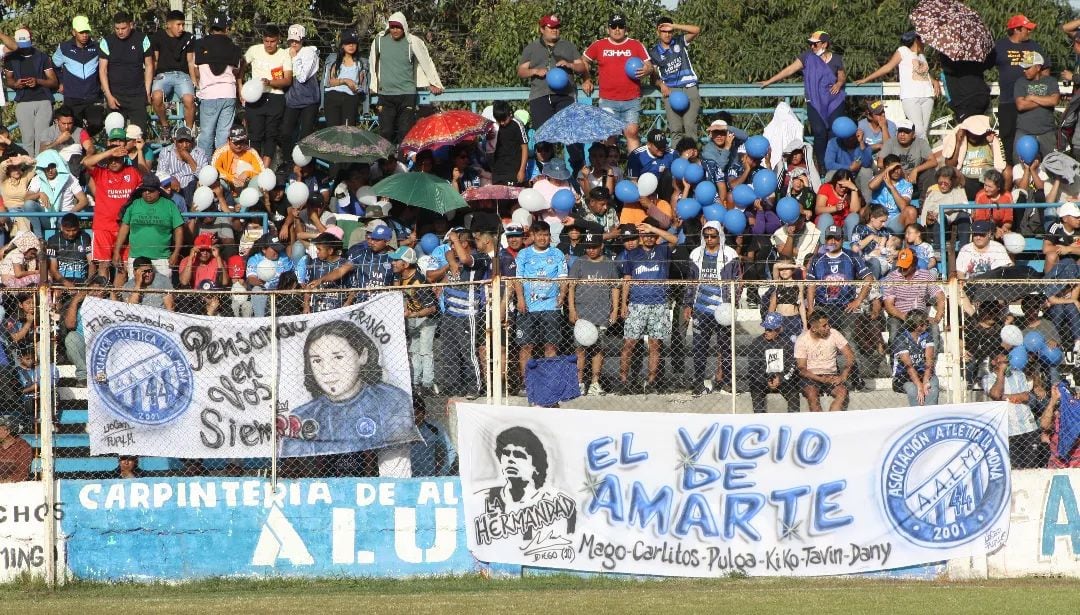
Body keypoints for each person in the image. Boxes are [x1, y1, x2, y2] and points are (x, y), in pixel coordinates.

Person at [281, 320, 417, 477]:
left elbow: (395, 465)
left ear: (362, 356)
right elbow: (293, 467)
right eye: (317, 360)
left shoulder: (392, 400)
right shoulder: (302, 416)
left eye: (338, 357)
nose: (326, 370)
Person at [759, 30, 846, 169]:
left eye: (815, 44)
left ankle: (833, 164)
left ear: (824, 44)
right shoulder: (807, 57)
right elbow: (790, 70)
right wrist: (770, 81)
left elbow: (841, 75)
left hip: (833, 100)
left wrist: (839, 83)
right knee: (819, 132)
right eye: (810, 44)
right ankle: (822, 165)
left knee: (834, 132)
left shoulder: (836, 59)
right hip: (814, 101)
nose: (812, 47)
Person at [518, 14, 589, 173]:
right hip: (540, 95)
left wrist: (569, 65)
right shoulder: (531, 48)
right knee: (543, 137)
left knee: (571, 135)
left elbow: (581, 67)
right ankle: (545, 172)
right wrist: (535, 71)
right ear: (542, 29)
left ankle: (579, 171)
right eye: (551, 27)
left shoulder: (568, 46)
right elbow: (521, 71)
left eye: (557, 27)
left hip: (565, 95)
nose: (555, 30)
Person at [618, 219, 677, 393]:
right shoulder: (632, 254)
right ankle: (623, 381)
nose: (649, 238)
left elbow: (675, 240)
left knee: (655, 345)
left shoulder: (662, 250)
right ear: (640, 236)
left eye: (652, 236)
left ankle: (651, 382)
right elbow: (627, 280)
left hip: (659, 304)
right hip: (637, 304)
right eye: (645, 235)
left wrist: (653, 228)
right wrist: (624, 303)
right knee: (629, 344)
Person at [368, 12, 444, 144]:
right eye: (392, 27)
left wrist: (434, 83)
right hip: (386, 94)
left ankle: (402, 164)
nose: (395, 30)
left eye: (398, 27)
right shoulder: (379, 40)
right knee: (385, 132)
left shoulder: (412, 41)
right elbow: (372, 62)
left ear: (404, 27)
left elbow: (426, 61)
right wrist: (373, 85)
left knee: (406, 132)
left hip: (407, 94)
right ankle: (385, 164)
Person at [685, 220, 741, 396]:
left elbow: (738, 282)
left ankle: (727, 384)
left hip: (723, 309)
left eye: (713, 236)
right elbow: (690, 282)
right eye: (706, 236)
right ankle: (698, 383)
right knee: (699, 348)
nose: (709, 239)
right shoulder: (695, 254)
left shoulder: (731, 254)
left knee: (726, 348)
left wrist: (733, 304)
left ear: (719, 236)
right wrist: (687, 304)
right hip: (701, 309)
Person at [582, 14, 651, 151]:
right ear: (608, 29)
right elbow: (583, 60)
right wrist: (586, 79)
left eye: (621, 26)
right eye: (613, 26)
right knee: (609, 136)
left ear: (626, 29)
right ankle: (609, 170)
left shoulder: (635, 45)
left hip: (631, 99)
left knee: (632, 133)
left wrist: (646, 70)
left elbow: (649, 65)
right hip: (608, 100)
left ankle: (633, 169)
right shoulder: (599, 45)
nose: (617, 29)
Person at [854, 32, 940, 139]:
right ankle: (928, 155)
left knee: (924, 130)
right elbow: (887, 67)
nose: (925, 43)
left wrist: (934, 81)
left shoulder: (921, 55)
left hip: (927, 95)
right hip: (910, 96)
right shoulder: (903, 51)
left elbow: (923, 74)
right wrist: (866, 79)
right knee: (918, 131)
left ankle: (919, 154)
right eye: (922, 39)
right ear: (916, 40)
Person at [82, 130, 141, 279]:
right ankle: (102, 298)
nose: (114, 162)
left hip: (126, 227)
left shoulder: (132, 172)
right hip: (103, 227)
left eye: (118, 159)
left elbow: (146, 174)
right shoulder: (101, 172)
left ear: (124, 159)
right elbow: (86, 162)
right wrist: (109, 152)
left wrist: (138, 151)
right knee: (103, 264)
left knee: (123, 265)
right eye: (111, 159)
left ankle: (117, 298)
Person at [514, 221, 568, 384]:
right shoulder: (523, 254)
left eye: (546, 235)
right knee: (526, 346)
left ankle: (550, 381)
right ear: (532, 236)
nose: (543, 238)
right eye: (539, 235)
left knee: (551, 345)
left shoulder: (557, 253)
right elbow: (517, 280)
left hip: (551, 307)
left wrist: (562, 295)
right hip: (528, 307)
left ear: (550, 236)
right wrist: (521, 299)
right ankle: (526, 382)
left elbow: (564, 278)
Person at [568, 229, 618, 395]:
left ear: (602, 246)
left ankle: (595, 383)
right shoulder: (579, 263)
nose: (591, 250)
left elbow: (615, 288)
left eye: (594, 247)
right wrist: (572, 309)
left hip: (601, 312)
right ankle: (579, 383)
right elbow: (572, 287)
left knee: (598, 349)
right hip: (582, 314)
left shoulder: (609, 264)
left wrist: (615, 310)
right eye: (588, 247)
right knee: (580, 349)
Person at [991, 14, 1044, 165]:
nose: (1029, 32)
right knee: (1007, 138)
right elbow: (985, 65)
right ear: (1016, 30)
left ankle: (1031, 171)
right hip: (1008, 101)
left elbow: (1045, 69)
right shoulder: (999, 46)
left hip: (1029, 102)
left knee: (1031, 136)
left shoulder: (1033, 46)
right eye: (1026, 29)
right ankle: (1009, 171)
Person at [113, 173, 183, 282]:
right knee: (136, 290)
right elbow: (124, 228)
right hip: (137, 258)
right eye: (144, 190)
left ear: (158, 191)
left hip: (162, 258)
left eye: (150, 190)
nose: (147, 193)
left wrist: (176, 253)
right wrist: (117, 251)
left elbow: (178, 229)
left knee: (162, 292)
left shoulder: (170, 206)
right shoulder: (134, 205)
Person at [191, 14, 242, 154]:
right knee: (223, 135)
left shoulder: (200, 44)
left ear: (210, 29)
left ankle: (204, 169)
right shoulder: (234, 48)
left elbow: (196, 71)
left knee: (206, 135)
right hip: (228, 94)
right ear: (226, 29)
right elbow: (236, 72)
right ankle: (221, 169)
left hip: (208, 95)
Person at [390, 246, 438, 396]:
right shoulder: (400, 277)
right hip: (413, 316)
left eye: (396, 260)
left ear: (405, 264)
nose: (393, 263)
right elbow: (402, 296)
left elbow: (432, 308)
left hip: (427, 319)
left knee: (425, 351)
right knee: (414, 351)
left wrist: (412, 315)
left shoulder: (418, 281)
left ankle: (428, 384)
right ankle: (415, 382)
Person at [4, 28, 59, 156]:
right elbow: (9, 80)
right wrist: (16, 84)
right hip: (23, 101)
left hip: (43, 100)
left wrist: (38, 81)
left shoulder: (42, 56)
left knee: (42, 138)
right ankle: (29, 169)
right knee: (27, 139)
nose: (24, 48)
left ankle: (41, 168)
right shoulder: (10, 59)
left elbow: (53, 81)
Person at [244, 25, 292, 167]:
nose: (269, 44)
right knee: (255, 136)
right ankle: (255, 169)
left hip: (276, 97)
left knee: (271, 136)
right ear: (262, 39)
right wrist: (241, 86)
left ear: (278, 40)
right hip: (255, 98)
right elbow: (240, 67)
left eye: (272, 41)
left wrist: (270, 82)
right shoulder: (254, 50)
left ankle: (265, 170)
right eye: (266, 41)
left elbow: (288, 80)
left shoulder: (284, 54)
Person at [99, 11, 152, 133]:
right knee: (115, 136)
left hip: (137, 96)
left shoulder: (142, 39)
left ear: (131, 25)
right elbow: (102, 70)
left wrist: (147, 91)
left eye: (123, 28)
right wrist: (109, 96)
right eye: (117, 28)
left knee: (138, 134)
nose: (120, 31)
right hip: (116, 96)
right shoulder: (107, 41)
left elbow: (149, 65)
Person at [649, 18, 701, 142]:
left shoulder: (679, 41)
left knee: (690, 127)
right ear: (658, 32)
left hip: (690, 88)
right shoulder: (654, 52)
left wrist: (675, 25)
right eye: (664, 31)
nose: (667, 34)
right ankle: (677, 159)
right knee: (675, 129)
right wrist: (661, 85)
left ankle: (692, 157)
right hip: (671, 91)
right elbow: (653, 78)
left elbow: (696, 30)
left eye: (670, 31)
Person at [882, 248, 947, 346]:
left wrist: (937, 317)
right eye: (901, 266)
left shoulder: (925, 275)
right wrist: (905, 317)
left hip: (920, 317)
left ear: (914, 264)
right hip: (899, 316)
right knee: (894, 327)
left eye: (906, 267)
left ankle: (931, 360)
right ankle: (894, 359)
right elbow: (888, 305)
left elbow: (940, 296)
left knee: (934, 327)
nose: (903, 269)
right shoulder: (891, 277)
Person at [795, 309, 855, 412]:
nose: (828, 327)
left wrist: (843, 375)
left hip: (830, 374)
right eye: (824, 326)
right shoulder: (802, 340)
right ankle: (820, 423)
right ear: (813, 328)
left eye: (828, 324)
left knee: (842, 392)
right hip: (811, 376)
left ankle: (831, 421)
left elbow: (850, 356)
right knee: (811, 393)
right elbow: (801, 369)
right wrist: (820, 379)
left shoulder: (834, 334)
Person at [52, 16, 104, 132]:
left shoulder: (97, 47)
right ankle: (83, 147)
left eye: (87, 32)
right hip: (72, 98)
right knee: (74, 130)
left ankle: (85, 141)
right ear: (74, 32)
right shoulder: (64, 47)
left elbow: (105, 68)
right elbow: (54, 65)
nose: (85, 35)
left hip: (93, 97)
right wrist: (60, 82)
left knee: (98, 123)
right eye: (81, 32)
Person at [149, 10, 195, 138]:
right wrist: (150, 80)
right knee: (156, 96)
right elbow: (155, 60)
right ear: (169, 24)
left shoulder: (189, 37)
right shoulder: (158, 37)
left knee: (189, 99)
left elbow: (190, 62)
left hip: (182, 75)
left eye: (183, 25)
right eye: (178, 25)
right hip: (163, 75)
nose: (181, 28)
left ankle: (188, 132)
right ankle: (165, 126)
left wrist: (195, 81)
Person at [940, 114, 1007, 200]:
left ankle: (1001, 201)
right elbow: (949, 165)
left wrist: (991, 143)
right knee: (951, 172)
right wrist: (958, 142)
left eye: (977, 133)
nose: (974, 136)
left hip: (987, 178)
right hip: (965, 179)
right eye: (972, 133)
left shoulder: (989, 139)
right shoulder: (962, 141)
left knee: (1007, 171)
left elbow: (1000, 162)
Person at [747, 312, 801, 413]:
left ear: (779, 329)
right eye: (766, 328)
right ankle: (761, 421)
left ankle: (794, 422)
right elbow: (753, 369)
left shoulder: (787, 343)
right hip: (762, 380)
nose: (767, 332)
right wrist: (766, 379)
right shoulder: (756, 343)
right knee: (755, 389)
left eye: (770, 329)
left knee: (793, 393)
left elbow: (792, 365)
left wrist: (780, 378)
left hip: (783, 379)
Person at [281, 24, 321, 161]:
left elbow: (302, 77)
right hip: (291, 100)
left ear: (302, 40)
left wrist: (294, 58)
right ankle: (288, 161)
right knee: (285, 132)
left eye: (296, 41)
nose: (293, 43)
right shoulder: (285, 52)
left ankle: (306, 166)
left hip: (309, 99)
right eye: (291, 40)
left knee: (305, 135)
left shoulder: (309, 53)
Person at [1014, 51, 1060, 160]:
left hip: (1046, 132)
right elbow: (1021, 105)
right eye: (1024, 68)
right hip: (1024, 132)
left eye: (1028, 68)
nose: (1024, 71)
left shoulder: (1051, 81)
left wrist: (1032, 97)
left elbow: (1054, 101)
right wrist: (1044, 101)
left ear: (1038, 67)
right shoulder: (1020, 82)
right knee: (1020, 165)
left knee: (1051, 166)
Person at [892, 309, 939, 406]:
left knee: (933, 387)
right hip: (903, 376)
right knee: (913, 391)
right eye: (926, 322)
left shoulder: (927, 336)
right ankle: (918, 416)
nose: (928, 324)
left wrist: (925, 381)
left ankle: (930, 415)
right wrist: (919, 386)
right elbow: (909, 366)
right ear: (919, 325)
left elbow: (929, 360)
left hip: (923, 372)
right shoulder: (901, 338)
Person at [879, 119, 937, 198]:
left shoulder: (921, 143)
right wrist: (901, 173)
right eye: (900, 131)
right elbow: (880, 163)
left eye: (906, 132)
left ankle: (925, 201)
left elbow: (933, 161)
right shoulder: (890, 143)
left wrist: (915, 170)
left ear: (913, 134)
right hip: (895, 175)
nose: (902, 134)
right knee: (881, 173)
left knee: (930, 172)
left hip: (916, 177)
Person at [323, 31, 366, 127]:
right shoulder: (336, 61)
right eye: (347, 43)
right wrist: (345, 81)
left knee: (348, 130)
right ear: (342, 45)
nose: (351, 45)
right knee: (333, 130)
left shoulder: (360, 64)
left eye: (354, 43)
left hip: (350, 98)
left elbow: (360, 85)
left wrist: (356, 88)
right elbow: (331, 81)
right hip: (333, 96)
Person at [869, 154, 918, 234]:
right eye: (893, 168)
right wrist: (886, 171)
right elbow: (871, 186)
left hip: (894, 220)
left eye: (898, 168)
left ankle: (909, 246)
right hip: (876, 218)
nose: (896, 171)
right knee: (863, 210)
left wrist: (891, 187)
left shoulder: (906, 185)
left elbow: (903, 207)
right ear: (886, 168)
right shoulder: (878, 179)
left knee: (911, 211)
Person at [46, 213, 91, 287]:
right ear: (61, 227)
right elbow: (53, 268)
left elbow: (91, 263)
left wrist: (89, 281)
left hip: (82, 281)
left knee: (86, 292)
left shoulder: (85, 237)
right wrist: (65, 283)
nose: (71, 234)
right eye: (68, 230)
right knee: (57, 293)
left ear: (78, 227)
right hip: (61, 280)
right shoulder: (53, 240)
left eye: (74, 230)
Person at [814, 169, 862, 238]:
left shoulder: (850, 194)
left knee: (854, 216)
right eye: (840, 185)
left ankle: (852, 246)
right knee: (826, 217)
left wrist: (854, 189)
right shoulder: (826, 188)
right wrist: (835, 208)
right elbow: (818, 210)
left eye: (846, 186)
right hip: (828, 226)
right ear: (835, 182)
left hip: (842, 229)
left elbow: (855, 211)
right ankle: (823, 246)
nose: (843, 189)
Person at [490, 100, 528, 185]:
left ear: (509, 114)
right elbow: (490, 150)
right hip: (498, 171)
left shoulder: (517, 124)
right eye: (499, 120)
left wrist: (522, 170)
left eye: (504, 119)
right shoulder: (494, 127)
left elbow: (525, 148)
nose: (502, 123)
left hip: (514, 170)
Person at [1043, 201, 1080, 274]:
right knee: (1051, 256)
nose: (1079, 219)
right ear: (1065, 218)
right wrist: (1065, 248)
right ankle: (1049, 283)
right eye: (1076, 217)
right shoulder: (1055, 226)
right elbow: (1046, 248)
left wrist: (1068, 249)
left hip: (1076, 262)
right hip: (1059, 262)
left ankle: (1077, 284)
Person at [0, 414, 32, 483]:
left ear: (7, 431)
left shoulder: (23, 446)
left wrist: (6, 481)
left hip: (13, 486)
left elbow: (22, 472)